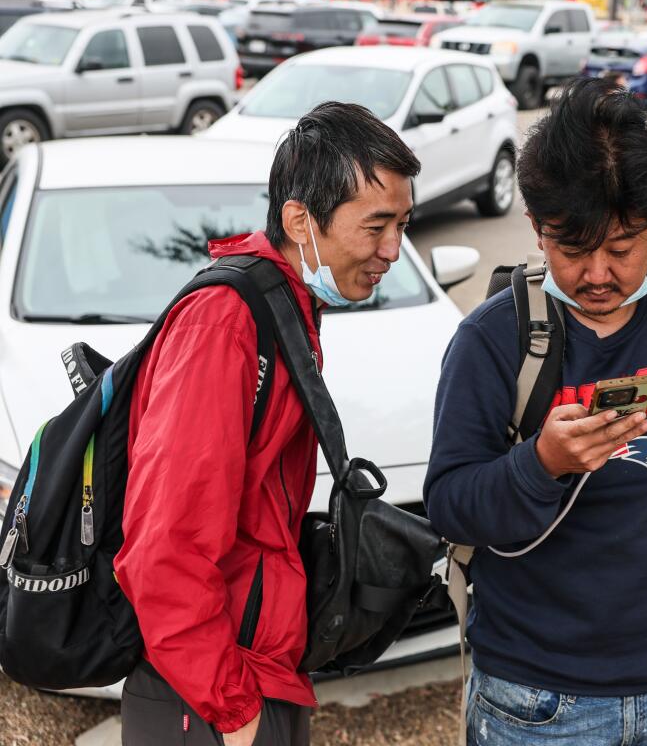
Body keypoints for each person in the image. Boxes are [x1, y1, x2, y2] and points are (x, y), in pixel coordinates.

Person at [424, 78, 647, 745]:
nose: (599, 274)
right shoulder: (495, 339)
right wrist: (540, 464)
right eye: (574, 249)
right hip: (534, 701)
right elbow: (450, 505)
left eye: (624, 247)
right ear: (536, 229)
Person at [115, 102, 421, 745]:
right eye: (377, 226)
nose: (393, 249)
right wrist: (234, 708)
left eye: (403, 223)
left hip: (253, 670)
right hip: (208, 692)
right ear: (300, 220)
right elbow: (165, 545)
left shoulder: (285, 303)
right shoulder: (226, 323)